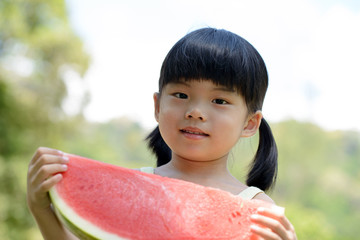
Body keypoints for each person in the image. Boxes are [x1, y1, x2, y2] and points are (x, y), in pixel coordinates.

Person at [27, 27, 297, 239]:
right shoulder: (132, 188)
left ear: (250, 123)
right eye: (181, 94)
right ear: (157, 107)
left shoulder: (260, 211)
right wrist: (41, 207)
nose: (195, 111)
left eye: (219, 101)